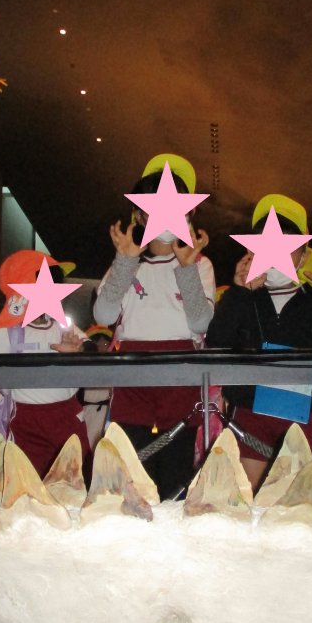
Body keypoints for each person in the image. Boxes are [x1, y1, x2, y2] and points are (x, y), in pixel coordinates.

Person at [205, 193, 312, 491]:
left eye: (288, 244)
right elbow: (217, 341)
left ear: (303, 255)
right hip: (249, 410)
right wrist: (239, 292)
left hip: (299, 412)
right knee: (245, 493)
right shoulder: (244, 299)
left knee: (292, 498)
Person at [93, 154, 215, 499]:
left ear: (190, 213)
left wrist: (186, 269)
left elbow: (201, 322)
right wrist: (125, 262)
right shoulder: (128, 262)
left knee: (176, 480)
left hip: (181, 374)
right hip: (133, 375)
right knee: (132, 479)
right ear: (139, 213)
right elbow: (103, 315)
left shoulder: (200, 265)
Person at [0, 249, 91, 478]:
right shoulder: (5, 333)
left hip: (65, 417)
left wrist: (79, 352)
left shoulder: (62, 327)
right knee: (24, 485)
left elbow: (92, 347)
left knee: (77, 481)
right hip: (24, 422)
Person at [81, 325, 113, 452]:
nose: (101, 348)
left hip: (108, 412)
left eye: (105, 344)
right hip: (88, 411)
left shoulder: (115, 366)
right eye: (97, 344)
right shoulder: (83, 366)